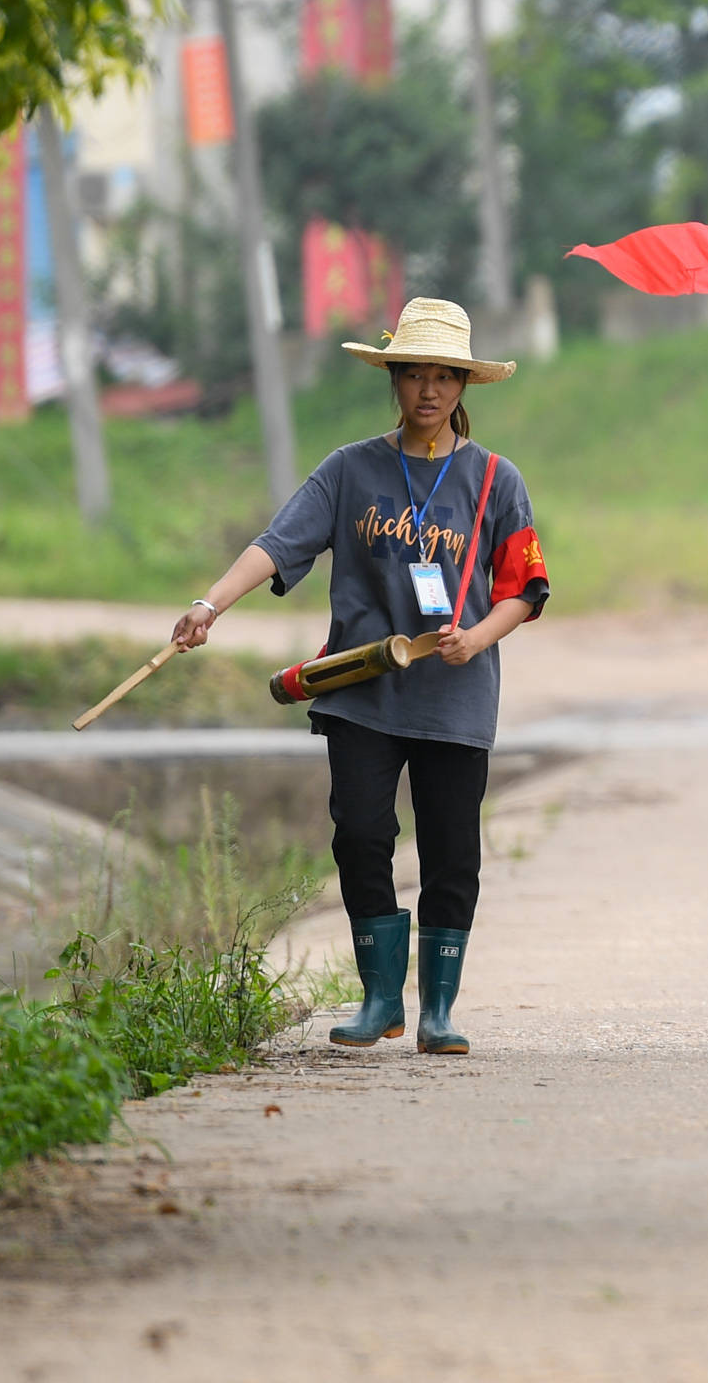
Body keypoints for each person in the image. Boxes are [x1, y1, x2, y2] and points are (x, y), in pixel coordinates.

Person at [172, 298, 549, 1056]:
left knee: (452, 850)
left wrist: (475, 638)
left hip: (456, 693)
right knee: (361, 834)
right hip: (360, 692)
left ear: (466, 385)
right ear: (394, 379)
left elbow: (528, 589)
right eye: (414, 374)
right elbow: (278, 544)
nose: (429, 391)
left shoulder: (495, 481)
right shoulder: (351, 470)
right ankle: (381, 997)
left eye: (445, 376)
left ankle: (439, 1010)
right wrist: (210, 603)